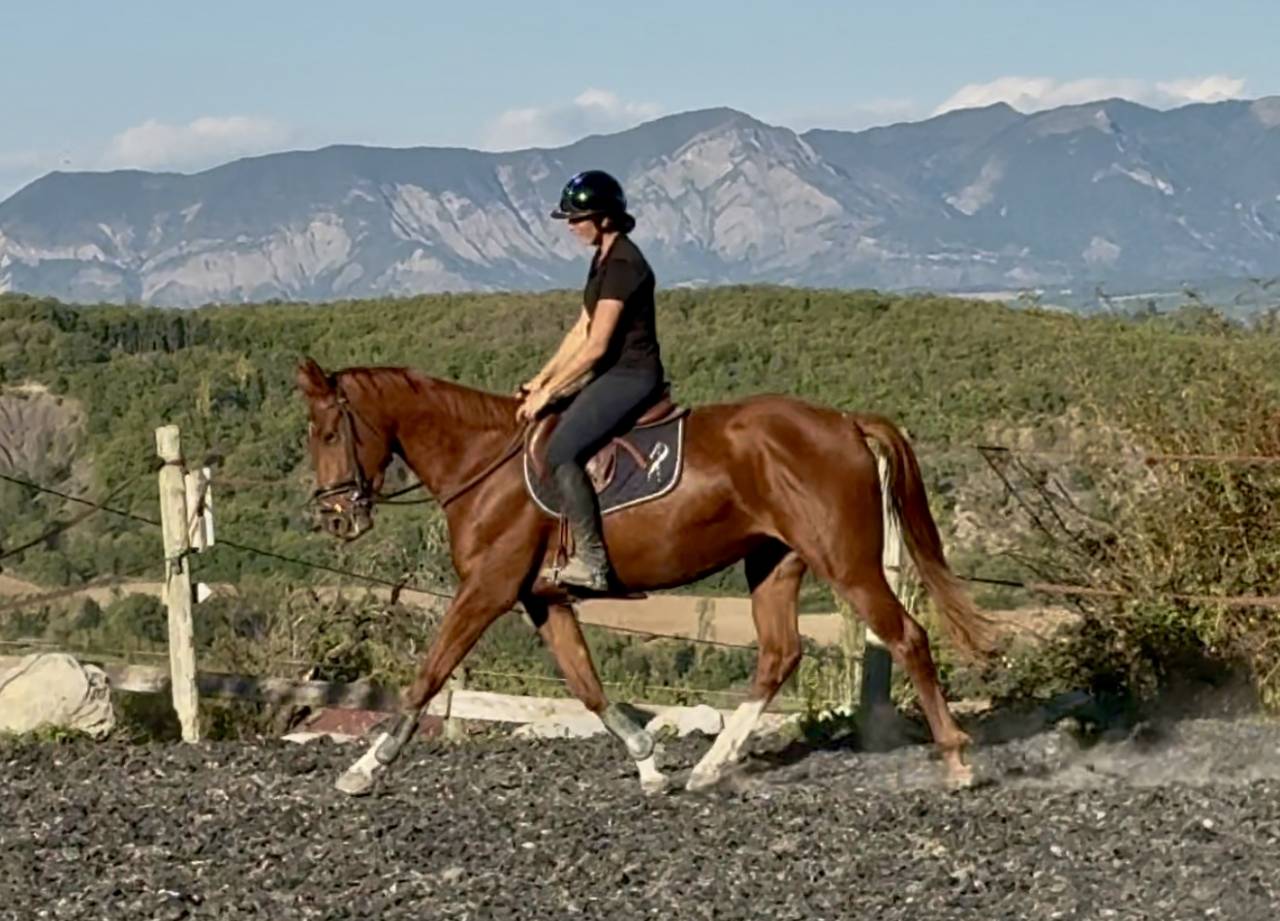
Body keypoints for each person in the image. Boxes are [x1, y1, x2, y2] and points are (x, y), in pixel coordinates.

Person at [516, 170, 665, 591]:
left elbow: (598, 346)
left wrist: (551, 393)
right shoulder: (602, 259)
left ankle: (593, 561)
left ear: (603, 218)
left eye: (577, 217)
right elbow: (580, 329)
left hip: (631, 375)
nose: (570, 225)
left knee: (562, 450)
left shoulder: (623, 264)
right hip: (610, 372)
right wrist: (541, 379)